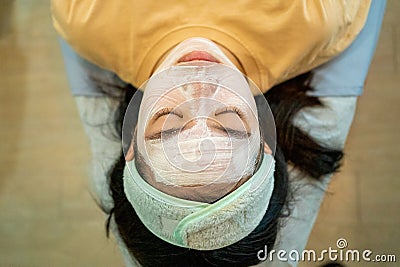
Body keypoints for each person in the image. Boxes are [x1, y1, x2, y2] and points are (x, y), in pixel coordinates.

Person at [51, 1, 386, 266]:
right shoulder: (314, 20)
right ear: (266, 140)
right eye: (228, 121)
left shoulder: (86, 19)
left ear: (132, 145)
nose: (199, 89)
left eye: (169, 119)